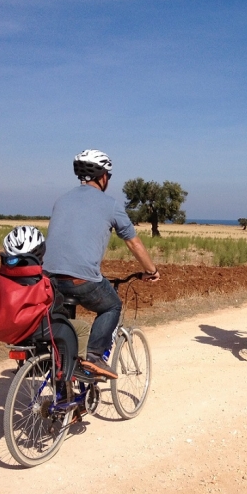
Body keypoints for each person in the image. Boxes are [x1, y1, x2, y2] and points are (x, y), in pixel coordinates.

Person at [43, 149, 160, 379]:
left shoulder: (61, 200)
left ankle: (67, 398)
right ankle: (94, 356)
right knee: (112, 305)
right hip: (81, 280)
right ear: (103, 176)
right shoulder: (110, 204)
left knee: (66, 336)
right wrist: (151, 270)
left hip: (48, 280)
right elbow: (134, 244)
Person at [2, 225, 91, 358]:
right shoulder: (44, 278)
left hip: (14, 326)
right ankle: (76, 369)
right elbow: (56, 306)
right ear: (40, 251)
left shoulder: (6, 276)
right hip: (39, 326)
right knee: (82, 328)